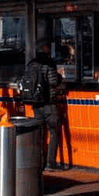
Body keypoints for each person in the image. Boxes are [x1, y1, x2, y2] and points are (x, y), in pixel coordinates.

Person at [25, 41, 63, 170]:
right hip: (49, 102)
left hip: (36, 103)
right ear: (46, 51)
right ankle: (50, 162)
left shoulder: (31, 64)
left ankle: (39, 161)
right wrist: (59, 76)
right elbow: (53, 82)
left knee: (40, 133)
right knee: (53, 132)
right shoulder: (49, 63)